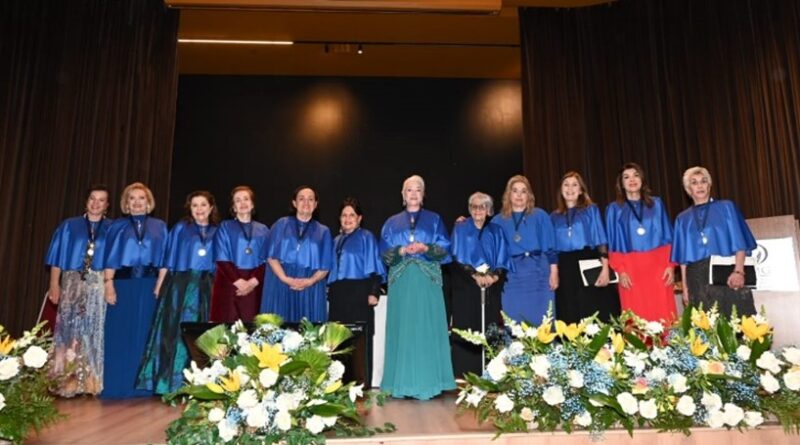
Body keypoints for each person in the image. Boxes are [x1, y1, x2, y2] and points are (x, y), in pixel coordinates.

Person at [136, 191, 220, 394]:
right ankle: (172, 383)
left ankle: (203, 384)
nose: (199, 209)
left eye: (203, 205)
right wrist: (159, 285)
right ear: (189, 209)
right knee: (174, 333)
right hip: (180, 286)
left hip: (208, 286)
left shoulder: (219, 231)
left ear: (211, 208)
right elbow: (168, 259)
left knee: (203, 333)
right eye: (194, 206)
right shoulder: (181, 229)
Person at [380, 174, 454, 400]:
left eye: (418, 190)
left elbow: (445, 247)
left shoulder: (434, 220)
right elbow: (383, 252)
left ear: (423, 195)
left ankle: (430, 382)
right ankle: (399, 383)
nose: (413, 193)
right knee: (403, 327)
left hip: (426, 281)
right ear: (403, 195)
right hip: (401, 282)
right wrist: (402, 251)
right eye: (409, 190)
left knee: (426, 326)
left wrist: (425, 247)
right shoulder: (391, 222)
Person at [45, 185, 112, 397]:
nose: (96, 203)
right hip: (72, 281)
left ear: (107, 205)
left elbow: (114, 261)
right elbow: (57, 258)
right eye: (92, 199)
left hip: (97, 283)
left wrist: (109, 284)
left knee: (92, 331)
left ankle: (89, 383)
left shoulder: (111, 229)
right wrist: (54, 284)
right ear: (86, 201)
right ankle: (65, 381)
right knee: (67, 329)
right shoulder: (69, 226)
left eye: (101, 200)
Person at [102, 182, 167, 399]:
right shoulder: (116, 227)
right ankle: (117, 385)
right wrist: (108, 284)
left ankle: (144, 387)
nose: (137, 202)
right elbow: (109, 257)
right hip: (122, 285)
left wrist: (159, 284)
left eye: (141, 198)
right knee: (120, 333)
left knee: (146, 333)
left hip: (149, 285)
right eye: (132, 198)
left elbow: (165, 259)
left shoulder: (160, 226)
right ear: (126, 203)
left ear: (148, 202)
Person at [671, 166, 757, 317]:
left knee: (735, 323)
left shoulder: (726, 207)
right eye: (694, 182)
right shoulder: (682, 219)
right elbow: (683, 260)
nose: (700, 185)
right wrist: (685, 288)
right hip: (696, 278)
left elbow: (740, 242)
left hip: (725, 273)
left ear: (709, 185)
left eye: (703, 181)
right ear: (688, 189)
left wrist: (738, 271)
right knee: (705, 330)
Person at [605, 163, 676, 322]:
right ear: (621, 183)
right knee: (635, 315)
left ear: (642, 179)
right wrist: (620, 270)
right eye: (626, 177)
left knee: (664, 313)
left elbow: (668, 236)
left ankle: (668, 346)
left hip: (658, 266)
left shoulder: (657, 204)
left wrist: (670, 266)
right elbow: (613, 242)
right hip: (630, 268)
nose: (632, 180)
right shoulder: (614, 209)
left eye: (636, 175)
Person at [449, 192, 509, 377]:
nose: (478, 210)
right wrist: (474, 274)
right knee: (467, 328)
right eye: (474, 206)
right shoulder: (461, 228)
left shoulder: (497, 230)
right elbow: (455, 256)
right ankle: (465, 375)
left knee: (491, 329)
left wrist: (494, 276)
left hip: (490, 287)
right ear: (469, 209)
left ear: (489, 209)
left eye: (482, 206)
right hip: (466, 285)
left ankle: (492, 375)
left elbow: (502, 259)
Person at [327, 198, 386, 385]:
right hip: (338, 294)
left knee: (359, 340)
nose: (348, 218)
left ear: (359, 218)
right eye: (344, 215)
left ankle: (361, 383)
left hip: (360, 292)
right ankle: (339, 384)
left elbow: (376, 267)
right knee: (337, 340)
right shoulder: (335, 241)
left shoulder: (366, 237)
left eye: (352, 215)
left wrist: (374, 292)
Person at [551, 172, 620, 324]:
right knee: (570, 312)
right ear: (561, 190)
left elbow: (600, 239)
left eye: (574, 185)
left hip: (588, 261)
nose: (570, 188)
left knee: (594, 311)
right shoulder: (554, 216)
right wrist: (554, 272)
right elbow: (552, 249)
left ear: (581, 190)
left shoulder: (591, 210)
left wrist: (605, 269)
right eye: (566, 185)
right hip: (565, 267)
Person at [490, 175, 558, 324]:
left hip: (539, 273)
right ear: (509, 194)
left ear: (529, 195)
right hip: (512, 277)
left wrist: (554, 272)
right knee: (515, 320)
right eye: (515, 191)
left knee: (543, 321)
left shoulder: (540, 216)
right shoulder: (498, 221)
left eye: (523, 191)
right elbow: (492, 251)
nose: (519, 195)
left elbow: (550, 247)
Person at [262, 186, 332, 322]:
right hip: (281, 282)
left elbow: (326, 266)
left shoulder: (324, 231)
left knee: (308, 334)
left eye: (310, 199)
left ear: (316, 204)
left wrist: (310, 281)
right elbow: (271, 257)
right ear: (294, 203)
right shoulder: (280, 225)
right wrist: (285, 278)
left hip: (311, 286)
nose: (306, 202)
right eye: (301, 199)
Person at [210, 186, 269, 323]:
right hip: (230, 282)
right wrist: (238, 282)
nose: (242, 203)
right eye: (238, 200)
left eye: (246, 199)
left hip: (254, 284)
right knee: (227, 326)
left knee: (252, 325)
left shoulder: (263, 229)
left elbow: (267, 260)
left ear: (252, 204)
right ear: (234, 207)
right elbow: (221, 257)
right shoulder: (224, 227)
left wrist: (253, 282)